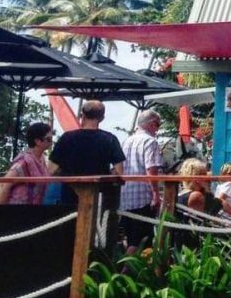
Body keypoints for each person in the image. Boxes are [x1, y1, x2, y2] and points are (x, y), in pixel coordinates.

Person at [48, 100, 125, 204]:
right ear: (102, 118)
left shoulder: (67, 138)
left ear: (82, 115)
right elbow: (119, 171)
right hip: (98, 196)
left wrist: (67, 176)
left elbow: (51, 170)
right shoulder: (110, 139)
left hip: (70, 195)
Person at [119, 109, 162, 250]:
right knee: (141, 242)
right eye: (157, 125)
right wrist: (156, 194)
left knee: (131, 239)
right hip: (143, 197)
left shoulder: (126, 141)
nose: (157, 129)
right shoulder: (150, 141)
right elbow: (151, 169)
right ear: (151, 124)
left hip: (126, 197)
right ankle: (126, 266)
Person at [0, 122, 53, 205]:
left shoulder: (41, 160)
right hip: (17, 209)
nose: (51, 142)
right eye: (48, 139)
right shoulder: (23, 163)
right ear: (37, 141)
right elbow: (4, 185)